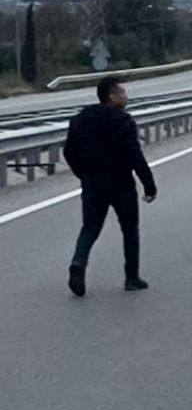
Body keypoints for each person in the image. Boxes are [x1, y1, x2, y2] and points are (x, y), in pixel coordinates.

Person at [64, 76, 158, 296]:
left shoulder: (80, 120)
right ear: (112, 95)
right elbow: (135, 156)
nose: (126, 97)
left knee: (89, 228)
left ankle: (78, 262)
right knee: (129, 229)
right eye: (122, 92)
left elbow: (69, 152)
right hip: (121, 184)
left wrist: (84, 174)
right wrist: (149, 186)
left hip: (93, 183)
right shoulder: (123, 121)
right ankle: (131, 277)